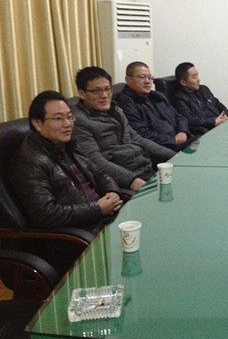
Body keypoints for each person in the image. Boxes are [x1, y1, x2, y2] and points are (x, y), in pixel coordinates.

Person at [11, 91, 122, 231]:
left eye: (69, 117)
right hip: (84, 231)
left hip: (105, 217)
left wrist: (112, 192)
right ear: (37, 123)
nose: (68, 124)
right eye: (58, 118)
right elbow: (46, 214)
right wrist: (97, 208)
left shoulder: (66, 145)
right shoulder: (29, 161)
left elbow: (99, 173)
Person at [71, 66, 175, 193]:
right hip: (122, 183)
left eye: (107, 89)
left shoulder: (115, 110)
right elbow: (93, 160)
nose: (104, 95)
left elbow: (137, 139)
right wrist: (131, 180)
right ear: (82, 93)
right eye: (97, 91)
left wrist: (175, 156)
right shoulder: (78, 121)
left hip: (145, 169)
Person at [117, 61, 194, 151]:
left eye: (150, 77)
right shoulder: (126, 103)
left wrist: (183, 131)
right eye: (142, 77)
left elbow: (179, 117)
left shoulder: (157, 96)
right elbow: (142, 133)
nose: (147, 81)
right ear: (128, 79)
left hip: (181, 139)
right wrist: (173, 140)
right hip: (163, 147)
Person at [171, 62, 228, 135]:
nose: (198, 79)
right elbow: (190, 120)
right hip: (209, 130)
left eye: (197, 75)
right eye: (194, 77)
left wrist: (226, 116)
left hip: (222, 123)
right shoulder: (179, 98)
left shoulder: (204, 89)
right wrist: (214, 122)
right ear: (183, 82)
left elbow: (219, 105)